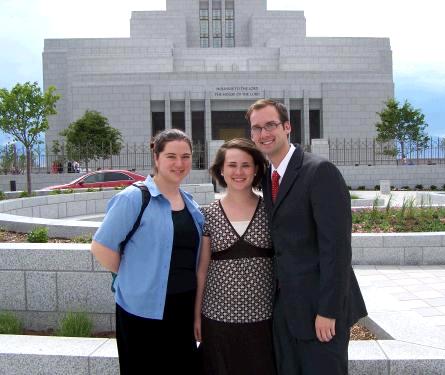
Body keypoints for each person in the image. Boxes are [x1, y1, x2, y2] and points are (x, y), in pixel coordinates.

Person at [246, 99, 367, 375]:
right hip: (286, 311)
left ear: (287, 127)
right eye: (256, 128)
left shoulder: (319, 172)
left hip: (320, 312)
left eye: (270, 125)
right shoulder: (268, 177)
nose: (263, 134)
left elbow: (336, 250)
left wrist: (328, 311)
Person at [91, 129, 203, 375]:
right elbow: (100, 246)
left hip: (182, 308)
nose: (179, 163)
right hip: (141, 308)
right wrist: (134, 276)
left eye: (185, 156)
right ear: (156, 158)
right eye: (171, 156)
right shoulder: (134, 198)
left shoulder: (191, 204)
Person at [194, 138, 276, 375]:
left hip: (264, 320)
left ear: (256, 169)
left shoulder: (271, 211)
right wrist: (196, 315)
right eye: (232, 165)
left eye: (245, 165)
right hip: (218, 320)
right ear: (221, 169)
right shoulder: (207, 214)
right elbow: (202, 268)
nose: (238, 172)